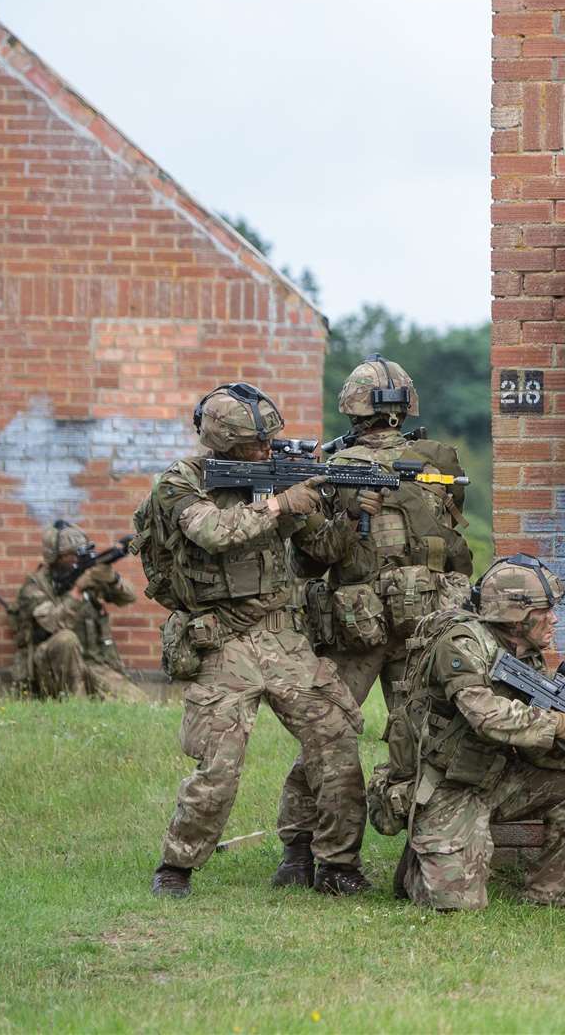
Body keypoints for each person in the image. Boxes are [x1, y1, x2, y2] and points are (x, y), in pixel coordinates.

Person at [145, 382, 369, 899]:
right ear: (223, 442)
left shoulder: (272, 479)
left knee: (335, 740)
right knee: (220, 765)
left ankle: (334, 863)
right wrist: (278, 503)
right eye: (256, 445)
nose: (267, 452)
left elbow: (322, 548)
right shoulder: (181, 482)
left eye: (270, 442)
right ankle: (176, 867)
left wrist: (351, 511)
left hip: (283, 636)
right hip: (221, 640)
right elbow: (213, 532)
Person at [271, 354, 472, 888]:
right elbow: (455, 549)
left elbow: (310, 561)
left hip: (363, 630)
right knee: (422, 739)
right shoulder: (435, 462)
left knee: (328, 737)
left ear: (352, 407)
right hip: (415, 626)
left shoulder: (343, 470)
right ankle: (418, 857)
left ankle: (300, 852)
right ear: (405, 406)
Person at [396, 554, 565, 911]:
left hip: (494, 776)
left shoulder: (526, 656)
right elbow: (484, 715)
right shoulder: (461, 643)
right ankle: (419, 860)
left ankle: (549, 895)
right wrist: (558, 724)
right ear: (516, 616)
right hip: (445, 786)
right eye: (544, 611)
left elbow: (531, 744)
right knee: (458, 907)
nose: (554, 618)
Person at [12, 520, 147, 702]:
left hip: (92, 664)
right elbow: (52, 624)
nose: (78, 558)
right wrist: (77, 591)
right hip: (51, 669)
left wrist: (112, 579)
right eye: (71, 554)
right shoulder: (34, 588)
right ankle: (76, 706)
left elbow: (129, 597)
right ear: (54, 557)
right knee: (66, 639)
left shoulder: (87, 574)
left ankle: (92, 698)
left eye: (81, 551)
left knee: (138, 703)